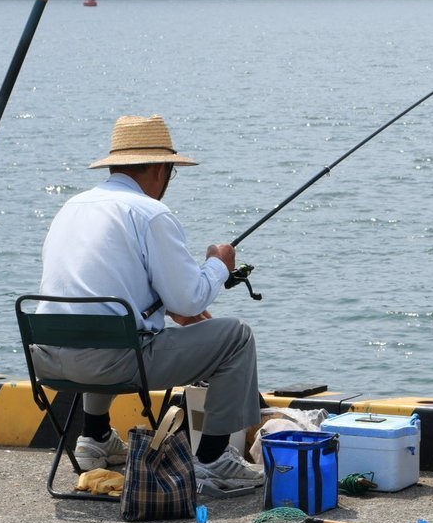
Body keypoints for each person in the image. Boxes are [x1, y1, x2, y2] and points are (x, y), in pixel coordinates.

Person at [34, 114, 263, 491]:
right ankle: (213, 459)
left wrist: (166, 306)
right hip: (114, 362)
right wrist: (218, 264)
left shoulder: (72, 206)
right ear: (159, 169)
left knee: (102, 325)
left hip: (49, 359)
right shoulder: (150, 212)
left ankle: (95, 438)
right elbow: (190, 297)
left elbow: (106, 286)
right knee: (236, 337)